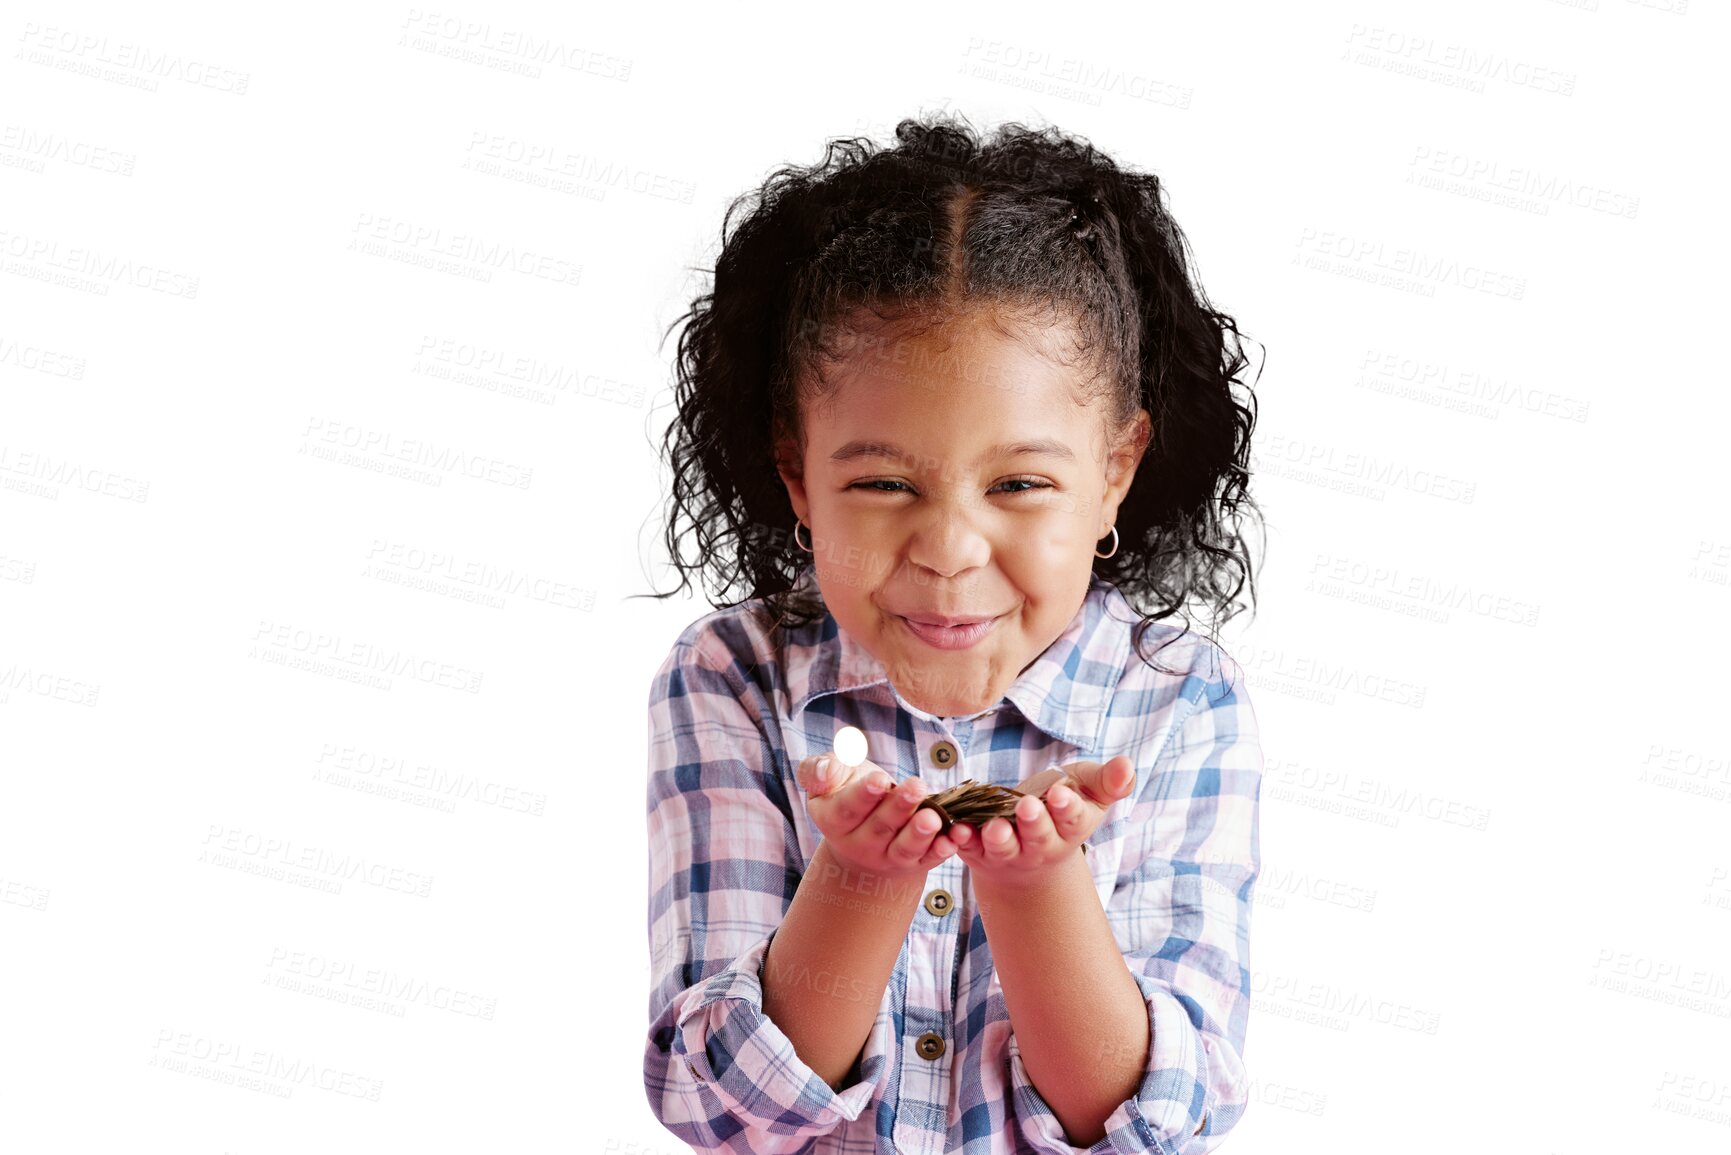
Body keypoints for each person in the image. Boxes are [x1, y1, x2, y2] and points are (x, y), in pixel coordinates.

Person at [637, 111, 1266, 1154]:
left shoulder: (1178, 699)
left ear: (1114, 472)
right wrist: (863, 876)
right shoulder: (733, 678)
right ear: (799, 473)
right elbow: (719, 1105)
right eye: (883, 483)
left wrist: (1036, 883)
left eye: (1019, 484)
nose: (950, 551)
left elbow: (1150, 1122)